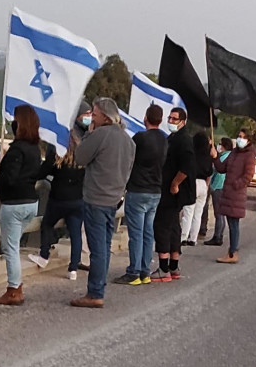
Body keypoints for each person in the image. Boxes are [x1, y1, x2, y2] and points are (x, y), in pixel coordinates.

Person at [70, 97, 135, 308]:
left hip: (96, 197)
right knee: (104, 247)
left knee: (97, 248)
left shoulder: (100, 135)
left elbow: (80, 158)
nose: (92, 118)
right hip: (114, 198)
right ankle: (99, 287)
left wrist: (85, 137)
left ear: (105, 117)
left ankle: (95, 292)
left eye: (95, 114)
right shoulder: (127, 140)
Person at [28, 100, 91, 280]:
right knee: (76, 233)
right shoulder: (83, 152)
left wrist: (33, 176)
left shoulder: (58, 151)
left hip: (59, 197)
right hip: (79, 199)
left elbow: (44, 170)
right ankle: (72, 269)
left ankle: (44, 256)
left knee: (47, 225)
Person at [0, 104, 41, 305]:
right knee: (15, 245)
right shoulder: (35, 149)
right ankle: (16, 286)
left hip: (14, 204)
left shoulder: (16, 151)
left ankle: (14, 290)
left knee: (10, 248)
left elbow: (8, 179)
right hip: (31, 202)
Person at [114, 104, 168, 286]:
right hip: (155, 191)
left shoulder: (140, 138)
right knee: (148, 232)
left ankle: (134, 272)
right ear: (161, 120)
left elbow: (128, 158)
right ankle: (145, 271)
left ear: (146, 118)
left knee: (136, 233)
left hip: (138, 190)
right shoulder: (164, 139)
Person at [151, 106, 196, 282]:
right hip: (170, 189)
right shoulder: (174, 138)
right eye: (169, 118)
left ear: (183, 122)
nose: (170, 121)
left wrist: (175, 183)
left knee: (162, 226)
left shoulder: (184, 141)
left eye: (174, 119)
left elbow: (186, 167)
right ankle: (173, 265)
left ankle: (163, 268)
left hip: (172, 191)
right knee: (173, 227)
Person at [210, 128, 256, 263]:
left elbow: (248, 175)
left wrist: (235, 185)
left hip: (236, 194)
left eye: (242, 137)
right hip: (228, 193)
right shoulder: (234, 153)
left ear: (248, 140)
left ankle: (233, 252)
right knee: (231, 224)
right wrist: (215, 157)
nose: (240, 139)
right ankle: (231, 251)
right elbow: (221, 168)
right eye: (238, 136)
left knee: (234, 224)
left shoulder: (249, 155)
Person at [180, 131, 212, 246]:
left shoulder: (192, 155)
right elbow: (210, 172)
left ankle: (183, 237)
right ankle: (193, 238)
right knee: (198, 213)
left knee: (188, 211)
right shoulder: (208, 156)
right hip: (203, 184)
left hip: (192, 183)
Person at [204, 137, 232, 246]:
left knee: (218, 213)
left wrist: (214, 157)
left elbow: (217, 170)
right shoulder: (230, 156)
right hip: (223, 187)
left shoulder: (224, 157)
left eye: (220, 144)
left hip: (219, 186)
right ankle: (218, 235)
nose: (219, 146)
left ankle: (218, 236)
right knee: (220, 214)